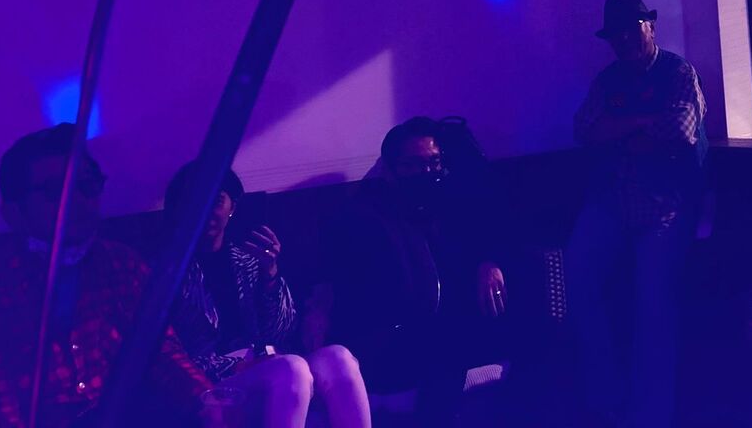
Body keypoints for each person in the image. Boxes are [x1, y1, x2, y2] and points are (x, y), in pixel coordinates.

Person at [0, 124, 211, 427]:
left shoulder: (121, 264)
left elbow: (159, 350)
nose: (79, 201)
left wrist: (207, 400)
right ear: (13, 212)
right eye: (56, 191)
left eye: (87, 185)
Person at [567, 0, 708, 428]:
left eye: (632, 28)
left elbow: (681, 130)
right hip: (612, 203)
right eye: (617, 33)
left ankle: (650, 415)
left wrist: (618, 127)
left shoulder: (678, 71)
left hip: (666, 206)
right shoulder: (608, 79)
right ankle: (605, 399)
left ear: (651, 26)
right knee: (575, 273)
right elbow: (583, 129)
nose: (625, 38)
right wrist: (644, 123)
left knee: (653, 304)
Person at [313, 116, 507, 425]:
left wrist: (488, 261)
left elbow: (482, 231)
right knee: (445, 345)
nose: (426, 172)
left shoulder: (446, 204)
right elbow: (353, 295)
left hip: (448, 324)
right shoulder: (365, 217)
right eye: (413, 165)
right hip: (390, 337)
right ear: (390, 170)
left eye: (433, 162)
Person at [164, 163, 371, 428]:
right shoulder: (167, 273)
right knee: (291, 368)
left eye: (216, 201)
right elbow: (169, 355)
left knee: (338, 358)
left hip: (269, 364)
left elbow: (281, 332)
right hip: (216, 384)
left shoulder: (247, 261)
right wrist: (235, 366)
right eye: (195, 200)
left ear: (231, 207)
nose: (206, 211)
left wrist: (270, 274)